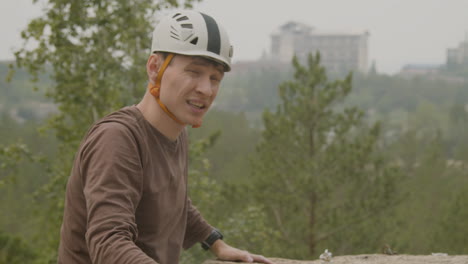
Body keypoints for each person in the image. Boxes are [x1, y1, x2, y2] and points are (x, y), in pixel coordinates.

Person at [57, 9, 274, 264]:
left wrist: (215, 242)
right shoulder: (117, 139)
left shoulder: (175, 132)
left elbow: (174, 199)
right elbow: (108, 243)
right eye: (194, 72)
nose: (206, 89)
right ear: (154, 68)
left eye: (215, 78)